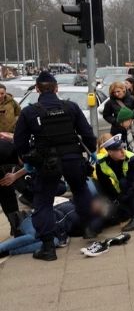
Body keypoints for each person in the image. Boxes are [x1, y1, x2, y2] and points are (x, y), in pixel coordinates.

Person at [13, 72, 97, 260]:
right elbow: (87, 133)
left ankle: (48, 247)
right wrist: (91, 151)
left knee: (43, 201)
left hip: (47, 162)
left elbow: (20, 141)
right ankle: (89, 228)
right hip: (73, 158)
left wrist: (28, 160)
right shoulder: (71, 107)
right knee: (81, 191)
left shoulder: (29, 112)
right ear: (56, 88)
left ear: (37, 89)